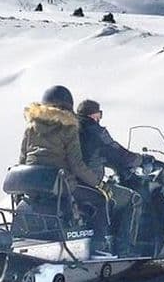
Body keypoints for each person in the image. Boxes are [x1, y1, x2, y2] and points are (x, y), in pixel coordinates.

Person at [19, 86, 111, 253]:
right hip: (58, 183)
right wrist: (99, 183)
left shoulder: (31, 125)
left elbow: (23, 158)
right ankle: (99, 245)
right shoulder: (68, 127)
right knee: (99, 199)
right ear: (68, 105)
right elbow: (76, 165)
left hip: (31, 184)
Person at [76, 99, 144, 255]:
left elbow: (94, 156)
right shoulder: (95, 132)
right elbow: (118, 153)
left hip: (73, 183)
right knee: (133, 199)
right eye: (99, 113)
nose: (100, 117)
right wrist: (141, 160)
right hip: (90, 185)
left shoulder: (72, 130)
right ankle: (125, 249)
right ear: (93, 114)